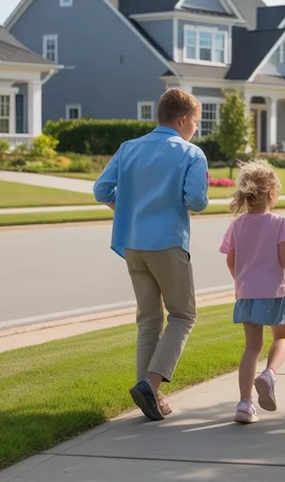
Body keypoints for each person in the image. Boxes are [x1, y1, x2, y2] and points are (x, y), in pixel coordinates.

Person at [93, 88, 209, 422]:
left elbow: (101, 189)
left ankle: (150, 397)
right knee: (183, 315)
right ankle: (151, 383)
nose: (196, 129)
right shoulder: (190, 153)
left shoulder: (129, 148)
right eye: (196, 122)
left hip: (132, 243)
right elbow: (197, 201)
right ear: (183, 119)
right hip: (168, 243)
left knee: (148, 319)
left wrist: (127, 209)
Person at [219, 160, 285, 424]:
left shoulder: (237, 226)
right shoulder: (280, 223)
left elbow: (230, 261)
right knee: (281, 336)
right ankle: (269, 374)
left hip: (246, 293)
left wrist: (242, 282)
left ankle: (245, 404)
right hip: (273, 292)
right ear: (271, 193)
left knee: (251, 347)